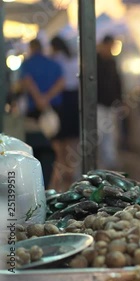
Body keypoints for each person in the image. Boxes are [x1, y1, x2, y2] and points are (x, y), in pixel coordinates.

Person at [20, 38, 65, 188]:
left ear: (31, 48)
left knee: (35, 148)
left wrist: (39, 99)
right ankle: (56, 181)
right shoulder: (53, 64)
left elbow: (27, 81)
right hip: (54, 111)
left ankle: (37, 183)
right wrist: (47, 98)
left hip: (34, 113)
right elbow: (61, 82)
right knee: (55, 145)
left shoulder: (27, 64)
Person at [49, 36, 80, 192]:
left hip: (63, 100)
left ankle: (61, 173)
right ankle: (71, 172)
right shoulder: (73, 59)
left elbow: (59, 82)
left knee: (60, 141)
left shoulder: (56, 60)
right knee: (71, 141)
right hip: (74, 99)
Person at [96, 35, 123, 170]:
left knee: (111, 135)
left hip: (110, 105)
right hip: (99, 104)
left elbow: (117, 82)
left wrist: (119, 101)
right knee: (100, 134)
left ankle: (110, 162)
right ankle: (100, 163)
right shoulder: (95, 61)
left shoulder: (112, 61)